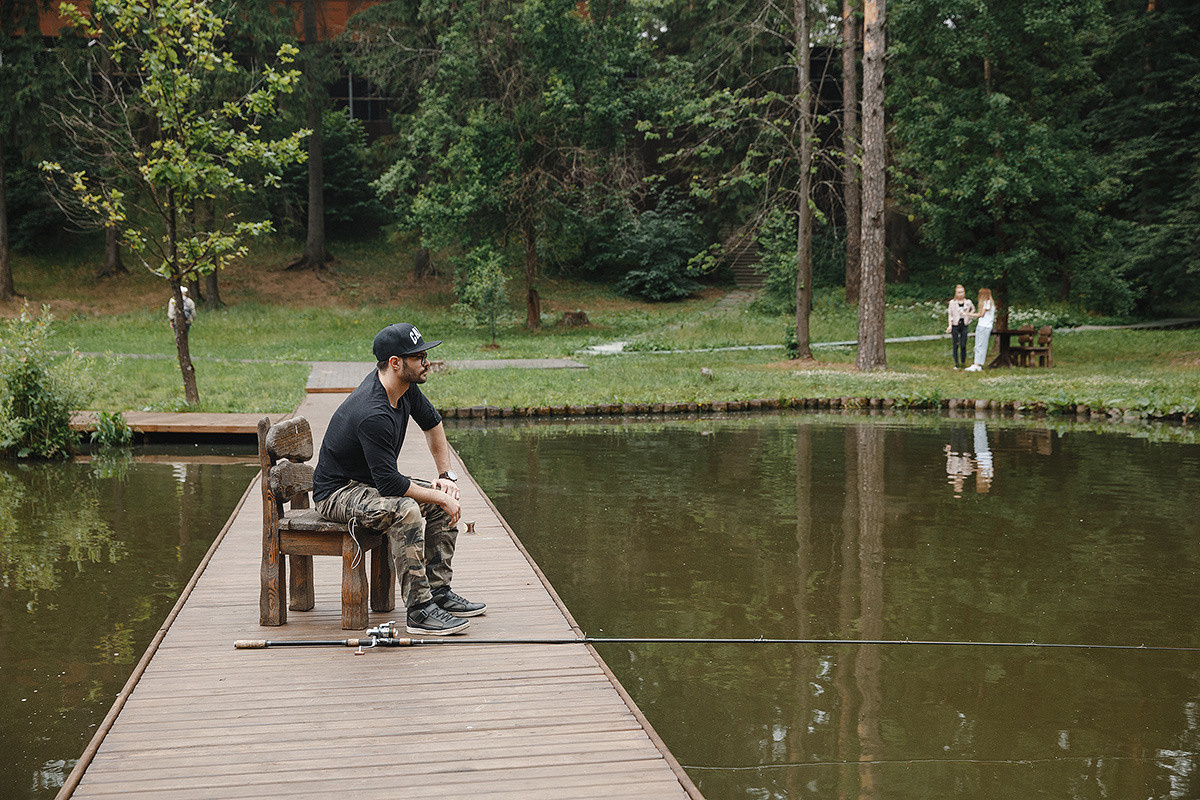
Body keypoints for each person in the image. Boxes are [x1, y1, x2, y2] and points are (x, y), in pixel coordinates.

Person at [312, 323, 484, 635]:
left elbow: (432, 423)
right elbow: (391, 485)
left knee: (439, 502)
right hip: (337, 493)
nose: (427, 362)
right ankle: (419, 610)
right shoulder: (373, 412)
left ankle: (438, 593)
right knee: (407, 510)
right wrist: (438, 494)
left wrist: (445, 477)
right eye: (419, 357)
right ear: (395, 362)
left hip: (370, 484)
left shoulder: (405, 389)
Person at [964, 288, 995, 372]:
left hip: (984, 326)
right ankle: (977, 363)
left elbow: (981, 314)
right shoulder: (989, 303)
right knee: (978, 345)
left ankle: (977, 364)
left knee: (980, 345)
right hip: (983, 326)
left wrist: (968, 314)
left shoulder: (987, 302)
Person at [945, 285, 975, 369]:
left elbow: (973, 309)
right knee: (955, 344)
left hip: (964, 324)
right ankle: (956, 363)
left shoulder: (968, 302)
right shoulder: (952, 302)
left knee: (963, 344)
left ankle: (963, 362)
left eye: (962, 292)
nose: (960, 294)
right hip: (955, 324)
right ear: (956, 293)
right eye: (959, 292)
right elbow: (950, 314)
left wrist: (969, 315)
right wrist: (950, 325)